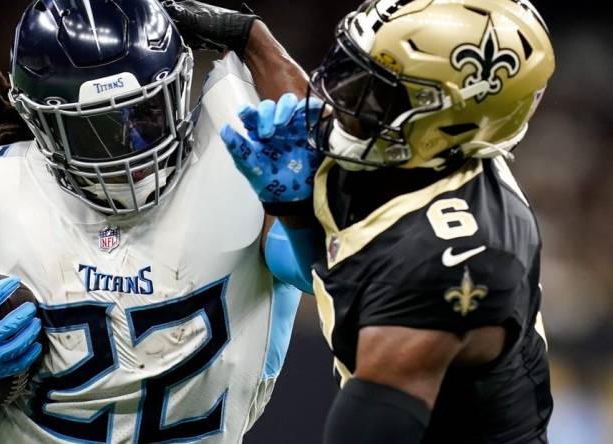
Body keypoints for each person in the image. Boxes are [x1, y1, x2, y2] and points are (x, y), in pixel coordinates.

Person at [0, 0, 313, 442]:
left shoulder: (237, 161)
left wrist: (251, 36)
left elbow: (328, 265)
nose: (132, 147)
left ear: (180, 82)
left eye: (146, 113)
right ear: (40, 122)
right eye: (99, 129)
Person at [178, 0, 556, 442]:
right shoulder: (423, 154)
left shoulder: (449, 261)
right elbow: (345, 271)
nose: (342, 96)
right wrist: (250, 35)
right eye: (352, 66)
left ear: (443, 121)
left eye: (376, 89)